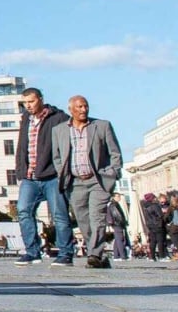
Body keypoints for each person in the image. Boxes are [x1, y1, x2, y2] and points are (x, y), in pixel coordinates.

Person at [50, 94, 123, 269]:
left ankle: (94, 254)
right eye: (79, 107)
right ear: (71, 110)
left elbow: (115, 153)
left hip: (99, 180)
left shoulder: (101, 126)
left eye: (86, 106)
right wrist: (63, 174)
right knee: (83, 220)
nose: (84, 110)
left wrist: (113, 172)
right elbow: (57, 157)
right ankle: (98, 254)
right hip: (75, 182)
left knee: (97, 218)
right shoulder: (59, 130)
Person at [14, 87, 70, 266]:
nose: (28, 106)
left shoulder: (58, 118)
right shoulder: (25, 119)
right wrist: (20, 169)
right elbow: (22, 145)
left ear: (40, 99)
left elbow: (67, 143)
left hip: (51, 175)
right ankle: (32, 251)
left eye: (31, 101)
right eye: (25, 103)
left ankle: (65, 252)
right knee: (23, 211)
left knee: (59, 214)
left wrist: (62, 169)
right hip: (29, 176)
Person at [142, 193, 168, 262]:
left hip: (150, 225)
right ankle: (162, 256)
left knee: (153, 241)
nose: (155, 198)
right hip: (158, 225)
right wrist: (163, 212)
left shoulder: (145, 206)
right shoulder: (155, 206)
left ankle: (152, 257)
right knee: (160, 241)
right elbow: (160, 215)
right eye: (154, 197)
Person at [106, 193, 131, 261]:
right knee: (120, 240)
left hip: (117, 224)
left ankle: (116, 256)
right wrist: (121, 222)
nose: (119, 197)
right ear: (114, 197)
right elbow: (116, 215)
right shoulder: (113, 205)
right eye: (118, 196)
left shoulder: (115, 204)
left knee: (117, 240)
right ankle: (123, 256)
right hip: (117, 224)